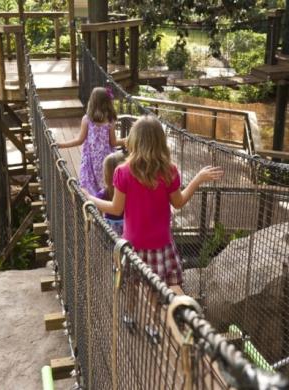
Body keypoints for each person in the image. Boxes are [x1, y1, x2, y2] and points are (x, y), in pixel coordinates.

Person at [85, 115, 223, 342]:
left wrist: (91, 199)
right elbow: (178, 203)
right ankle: (152, 327)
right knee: (153, 290)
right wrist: (197, 179)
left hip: (132, 245)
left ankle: (129, 316)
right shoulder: (169, 171)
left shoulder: (123, 172)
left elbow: (116, 209)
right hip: (160, 245)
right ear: (160, 141)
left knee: (131, 283)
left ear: (135, 141)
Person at [56, 87, 124, 195]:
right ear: (107, 102)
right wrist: (127, 140)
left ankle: (92, 206)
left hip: (91, 160)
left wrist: (61, 145)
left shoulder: (87, 119)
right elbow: (113, 142)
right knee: (106, 185)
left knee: (90, 187)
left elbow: (79, 140)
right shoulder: (111, 120)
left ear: (92, 102)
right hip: (106, 160)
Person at [95, 151, 126, 235]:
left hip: (110, 232)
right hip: (127, 230)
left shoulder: (101, 195)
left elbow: (98, 216)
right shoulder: (129, 193)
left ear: (106, 174)